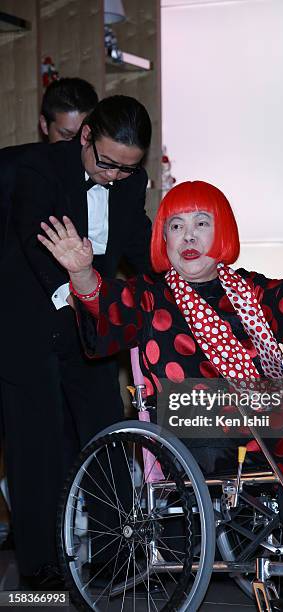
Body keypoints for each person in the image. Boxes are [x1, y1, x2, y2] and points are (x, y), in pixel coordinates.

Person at [38, 180, 283, 595]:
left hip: (260, 414)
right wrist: (82, 272)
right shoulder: (149, 295)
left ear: (223, 232)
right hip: (193, 420)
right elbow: (107, 312)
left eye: (201, 222)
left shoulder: (247, 289)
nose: (189, 236)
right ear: (163, 239)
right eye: (176, 226)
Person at [0, 95, 152, 587]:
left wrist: (188, 282)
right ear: (85, 136)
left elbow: (140, 248)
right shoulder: (40, 169)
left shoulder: (131, 182)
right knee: (37, 447)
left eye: (127, 170)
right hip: (29, 321)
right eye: (107, 163)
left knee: (107, 431)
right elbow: (35, 242)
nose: (113, 177)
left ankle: (115, 554)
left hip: (90, 320)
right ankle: (40, 571)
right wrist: (81, 296)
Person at [39, 77, 98, 143]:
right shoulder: (28, 152)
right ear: (44, 125)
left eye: (86, 136)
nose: (78, 144)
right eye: (67, 136)